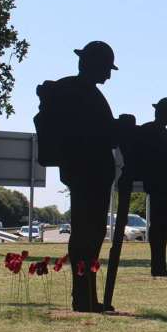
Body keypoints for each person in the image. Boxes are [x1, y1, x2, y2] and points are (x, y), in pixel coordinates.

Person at [39, 41, 124, 312]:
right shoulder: (82, 94)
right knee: (87, 235)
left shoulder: (77, 91)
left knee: (90, 234)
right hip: (89, 174)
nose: (109, 75)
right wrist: (120, 127)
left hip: (88, 173)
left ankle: (86, 295)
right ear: (93, 64)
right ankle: (83, 297)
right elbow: (98, 135)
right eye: (106, 68)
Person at [137, 97, 167, 277]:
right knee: (159, 227)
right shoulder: (155, 132)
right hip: (160, 187)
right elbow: (166, 160)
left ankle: (159, 265)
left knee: (162, 227)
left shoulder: (156, 131)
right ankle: (158, 265)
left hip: (163, 186)